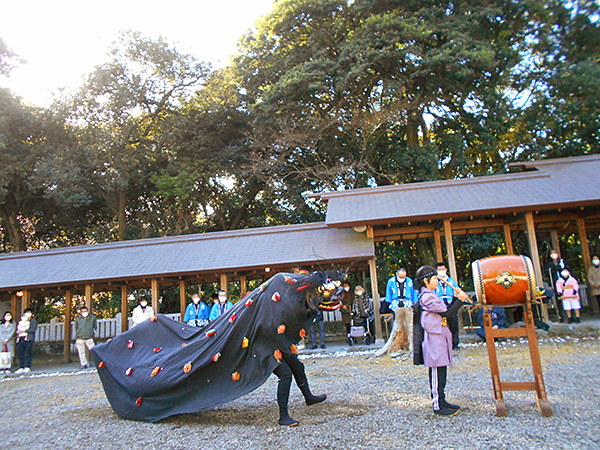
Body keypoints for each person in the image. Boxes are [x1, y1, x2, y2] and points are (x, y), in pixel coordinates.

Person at [416, 265, 473, 416]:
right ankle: (437, 405)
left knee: (442, 367)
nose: (437, 281)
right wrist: (459, 300)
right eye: (434, 279)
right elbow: (447, 313)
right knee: (436, 369)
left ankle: (442, 399)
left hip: (439, 335)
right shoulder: (427, 296)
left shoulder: (432, 294)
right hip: (432, 337)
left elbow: (446, 311)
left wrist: (455, 298)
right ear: (426, 281)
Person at [273, 351, 327, 426]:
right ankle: (283, 416)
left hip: (278, 346)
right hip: (265, 350)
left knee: (298, 366)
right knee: (285, 374)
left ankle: (309, 398)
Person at [434, 262, 461, 350]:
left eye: (443, 269)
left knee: (453, 324)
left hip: (450, 303)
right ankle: (442, 343)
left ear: (446, 270)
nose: (441, 271)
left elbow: (457, 291)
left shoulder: (451, 281)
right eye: (439, 270)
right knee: (441, 325)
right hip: (439, 304)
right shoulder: (435, 281)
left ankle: (455, 344)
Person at [545, 249, 569, 322]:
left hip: (564, 283)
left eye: (555, 253)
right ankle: (561, 316)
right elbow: (547, 272)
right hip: (555, 284)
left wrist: (558, 268)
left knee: (567, 298)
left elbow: (566, 270)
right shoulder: (549, 264)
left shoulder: (562, 262)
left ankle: (571, 316)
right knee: (558, 300)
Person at [15, 308, 38, 374]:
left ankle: (27, 366)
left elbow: (33, 330)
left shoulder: (33, 321)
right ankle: (21, 366)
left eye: (29, 312)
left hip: (29, 338)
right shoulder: (22, 321)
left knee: (28, 352)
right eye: (26, 312)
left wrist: (24, 330)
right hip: (21, 338)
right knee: (20, 351)